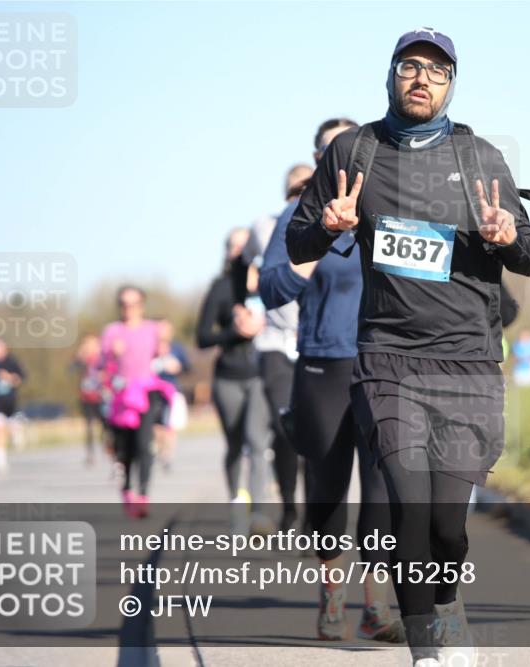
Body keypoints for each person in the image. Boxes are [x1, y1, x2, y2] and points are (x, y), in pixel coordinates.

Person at [286, 29, 530, 666]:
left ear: (451, 83)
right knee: (408, 505)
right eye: (411, 66)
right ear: (392, 75)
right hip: (387, 360)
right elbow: (296, 244)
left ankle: (448, 598)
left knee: (446, 529)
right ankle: (426, 650)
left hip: (467, 362)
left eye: (436, 70)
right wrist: (325, 225)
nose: (422, 78)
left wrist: (509, 235)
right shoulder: (355, 151)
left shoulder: (479, 158)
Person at [263, 118, 405, 644]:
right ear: (320, 158)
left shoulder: (391, 209)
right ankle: (331, 595)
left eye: (353, 148)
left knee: (383, 489)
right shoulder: (295, 215)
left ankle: (376, 607)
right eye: (331, 151)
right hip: (323, 365)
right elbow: (272, 290)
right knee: (327, 488)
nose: (344, 158)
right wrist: (321, 237)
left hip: (384, 364)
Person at [240, 163, 313, 532]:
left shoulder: (334, 222)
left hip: (315, 338)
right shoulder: (265, 226)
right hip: (274, 341)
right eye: (292, 189)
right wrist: (246, 307)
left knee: (317, 430)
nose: (297, 195)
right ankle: (288, 505)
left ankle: (316, 514)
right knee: (286, 428)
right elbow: (243, 266)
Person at [196, 228, 274, 533]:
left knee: (258, 442)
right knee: (234, 444)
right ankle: (236, 502)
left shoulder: (271, 283)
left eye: (245, 246)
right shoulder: (220, 289)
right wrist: (235, 332)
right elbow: (202, 338)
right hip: (228, 377)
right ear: (227, 252)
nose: (239, 251)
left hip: (260, 374)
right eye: (233, 246)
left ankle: (260, 513)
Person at [101, 286, 173, 518]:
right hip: (121, 395)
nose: (128, 308)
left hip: (145, 392)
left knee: (144, 445)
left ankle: (143, 495)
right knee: (125, 449)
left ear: (141, 305)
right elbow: (99, 364)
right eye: (124, 303)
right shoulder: (112, 331)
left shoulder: (152, 329)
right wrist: (112, 353)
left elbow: (163, 356)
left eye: (133, 303)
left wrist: (165, 353)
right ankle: (126, 490)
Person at [0, 338, 27, 472]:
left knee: (9, 428)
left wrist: (9, 377)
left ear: (5, 348)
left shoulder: (12, 362)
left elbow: (20, 379)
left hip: (10, 403)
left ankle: (16, 434)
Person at [153, 319, 190, 470]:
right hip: (154, 391)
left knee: (171, 426)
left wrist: (178, 367)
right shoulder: (150, 347)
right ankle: (159, 449)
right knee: (156, 426)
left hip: (172, 391)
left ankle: (167, 454)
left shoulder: (177, 348)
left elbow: (188, 367)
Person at [75, 333, 109, 466]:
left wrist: (103, 376)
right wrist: (80, 354)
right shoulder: (83, 358)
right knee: (88, 426)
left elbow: (110, 370)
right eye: (87, 343)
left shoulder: (102, 358)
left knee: (104, 425)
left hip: (100, 396)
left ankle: (105, 448)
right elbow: (73, 367)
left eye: (92, 343)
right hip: (86, 396)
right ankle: (90, 454)